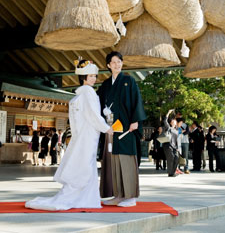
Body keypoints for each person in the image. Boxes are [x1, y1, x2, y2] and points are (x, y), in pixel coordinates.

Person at [25, 60, 113, 210]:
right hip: (89, 134)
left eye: (94, 76)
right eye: (91, 76)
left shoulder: (80, 94)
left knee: (85, 163)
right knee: (86, 165)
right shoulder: (89, 93)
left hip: (83, 134)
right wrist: (106, 128)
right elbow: (92, 114)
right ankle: (85, 199)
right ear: (84, 77)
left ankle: (87, 199)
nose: (94, 78)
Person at [98, 51, 146, 207]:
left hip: (127, 127)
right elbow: (98, 103)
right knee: (115, 161)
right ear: (108, 66)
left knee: (127, 159)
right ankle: (119, 195)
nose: (117, 64)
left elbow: (136, 100)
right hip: (112, 128)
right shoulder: (105, 85)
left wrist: (136, 121)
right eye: (113, 62)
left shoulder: (128, 80)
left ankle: (130, 197)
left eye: (119, 61)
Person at [162, 110, 179, 177]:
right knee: (170, 158)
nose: (173, 122)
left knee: (176, 158)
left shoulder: (177, 130)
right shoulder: (169, 128)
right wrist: (168, 113)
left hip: (175, 147)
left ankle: (173, 172)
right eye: (172, 121)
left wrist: (178, 147)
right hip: (168, 146)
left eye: (174, 121)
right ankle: (170, 173)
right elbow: (165, 121)